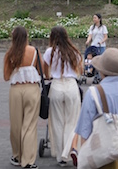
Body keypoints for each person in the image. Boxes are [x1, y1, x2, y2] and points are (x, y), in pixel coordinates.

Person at [3, 26, 45, 169]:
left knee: (16, 125)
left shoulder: (10, 53)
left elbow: (6, 76)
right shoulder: (34, 51)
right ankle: (28, 160)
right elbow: (42, 70)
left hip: (16, 90)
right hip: (32, 89)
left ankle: (17, 155)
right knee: (30, 126)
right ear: (26, 37)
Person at [43, 26, 82, 167]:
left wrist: (50, 75)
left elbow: (46, 72)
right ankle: (70, 151)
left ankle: (60, 157)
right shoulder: (74, 51)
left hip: (56, 86)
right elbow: (79, 70)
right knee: (72, 121)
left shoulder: (49, 52)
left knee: (57, 122)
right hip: (71, 85)